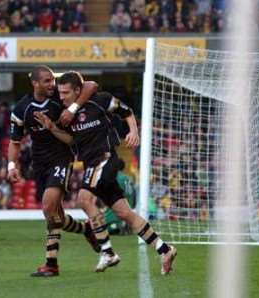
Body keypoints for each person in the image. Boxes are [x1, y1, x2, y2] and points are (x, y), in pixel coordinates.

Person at [35, 71, 177, 275]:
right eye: (60, 92)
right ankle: (164, 249)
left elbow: (126, 111)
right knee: (124, 213)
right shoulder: (65, 116)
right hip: (91, 163)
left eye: (66, 92)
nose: (62, 96)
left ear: (77, 90)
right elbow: (71, 141)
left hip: (105, 158)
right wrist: (51, 127)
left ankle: (108, 252)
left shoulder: (99, 100)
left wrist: (133, 132)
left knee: (84, 200)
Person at [8, 65, 104, 277]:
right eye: (47, 81)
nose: (52, 84)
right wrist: (12, 165)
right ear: (35, 83)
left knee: (48, 205)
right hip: (39, 164)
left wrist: (71, 109)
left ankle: (51, 264)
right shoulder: (22, 108)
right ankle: (86, 229)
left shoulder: (60, 101)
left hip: (61, 159)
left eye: (53, 80)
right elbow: (15, 141)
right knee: (53, 215)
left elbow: (91, 85)